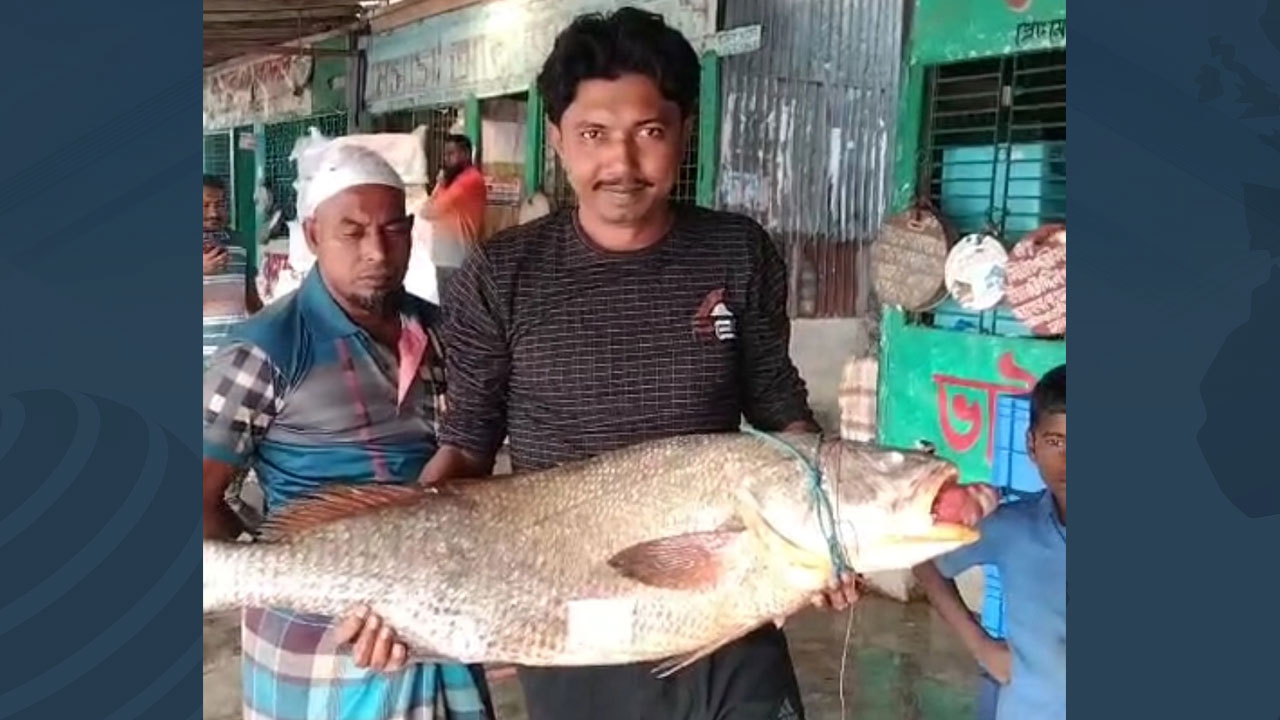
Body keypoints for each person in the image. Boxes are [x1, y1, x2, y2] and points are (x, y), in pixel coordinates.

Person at [344, 9, 856, 720]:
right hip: (571, 611)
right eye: (593, 135)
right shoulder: (506, 272)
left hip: (726, 599)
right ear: (557, 140)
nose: (621, 162)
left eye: (649, 131)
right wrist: (393, 577)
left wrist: (832, 531)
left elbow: (780, 410)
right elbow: (466, 446)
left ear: (682, 134)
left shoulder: (736, 252)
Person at [200, 143, 495, 720]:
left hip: (438, 624)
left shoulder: (439, 333)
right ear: (312, 235)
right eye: (351, 232)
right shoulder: (266, 350)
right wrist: (289, 574)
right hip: (317, 655)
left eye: (391, 231)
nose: (377, 252)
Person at [912, 365, 1066, 720]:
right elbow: (925, 561)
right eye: (1055, 442)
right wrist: (981, 646)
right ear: (1031, 445)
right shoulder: (1012, 527)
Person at [417, 134, 486, 299]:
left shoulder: (470, 180)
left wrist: (440, 186)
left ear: (466, 155)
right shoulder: (454, 182)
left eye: (451, 153)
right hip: (446, 260)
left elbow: (430, 211)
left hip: (457, 261)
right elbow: (424, 211)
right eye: (446, 154)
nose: (446, 159)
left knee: (456, 313)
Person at [203, 174, 263, 313]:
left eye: (219, 205)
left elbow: (251, 299)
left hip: (237, 334)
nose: (213, 213)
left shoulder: (239, 243)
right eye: (205, 206)